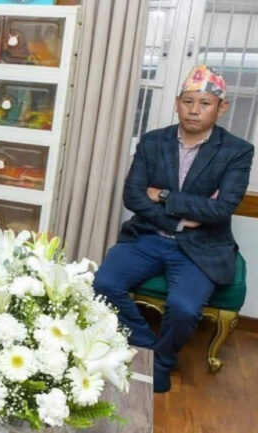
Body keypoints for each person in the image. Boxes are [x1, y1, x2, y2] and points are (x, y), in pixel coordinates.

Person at [93, 65, 254, 393]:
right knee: (103, 284)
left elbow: (221, 209)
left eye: (204, 103)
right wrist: (180, 217)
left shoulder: (236, 151)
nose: (194, 110)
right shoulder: (153, 141)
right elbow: (133, 195)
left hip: (202, 245)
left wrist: (164, 195)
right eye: (188, 101)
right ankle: (147, 346)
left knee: (184, 308)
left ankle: (162, 362)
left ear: (221, 107)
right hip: (148, 236)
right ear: (177, 103)